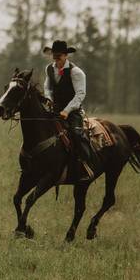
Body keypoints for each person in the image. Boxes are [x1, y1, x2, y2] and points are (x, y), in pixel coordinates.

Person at [42, 39, 95, 181]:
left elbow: (80, 94)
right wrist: (49, 99)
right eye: (54, 56)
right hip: (54, 109)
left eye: (58, 56)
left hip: (72, 112)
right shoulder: (49, 69)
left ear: (66, 56)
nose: (56, 59)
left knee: (77, 135)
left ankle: (84, 166)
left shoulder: (76, 72)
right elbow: (47, 88)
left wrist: (67, 110)